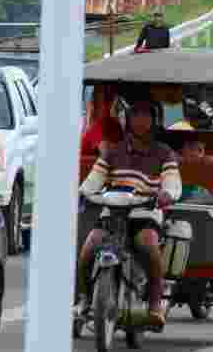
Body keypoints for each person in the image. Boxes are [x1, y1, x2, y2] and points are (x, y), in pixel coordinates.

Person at [76, 98, 181, 326]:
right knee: (88, 249)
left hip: (146, 213)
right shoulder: (113, 152)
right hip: (112, 213)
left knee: (149, 245)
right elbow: (93, 181)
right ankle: (83, 300)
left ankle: (155, 304)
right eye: (136, 116)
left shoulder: (164, 153)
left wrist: (167, 193)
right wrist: (82, 192)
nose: (140, 121)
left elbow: (172, 182)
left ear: (154, 121)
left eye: (146, 116)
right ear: (128, 120)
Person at [80, 84, 124, 157]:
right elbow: (106, 153)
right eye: (106, 99)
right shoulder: (97, 127)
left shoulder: (115, 125)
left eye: (109, 98)